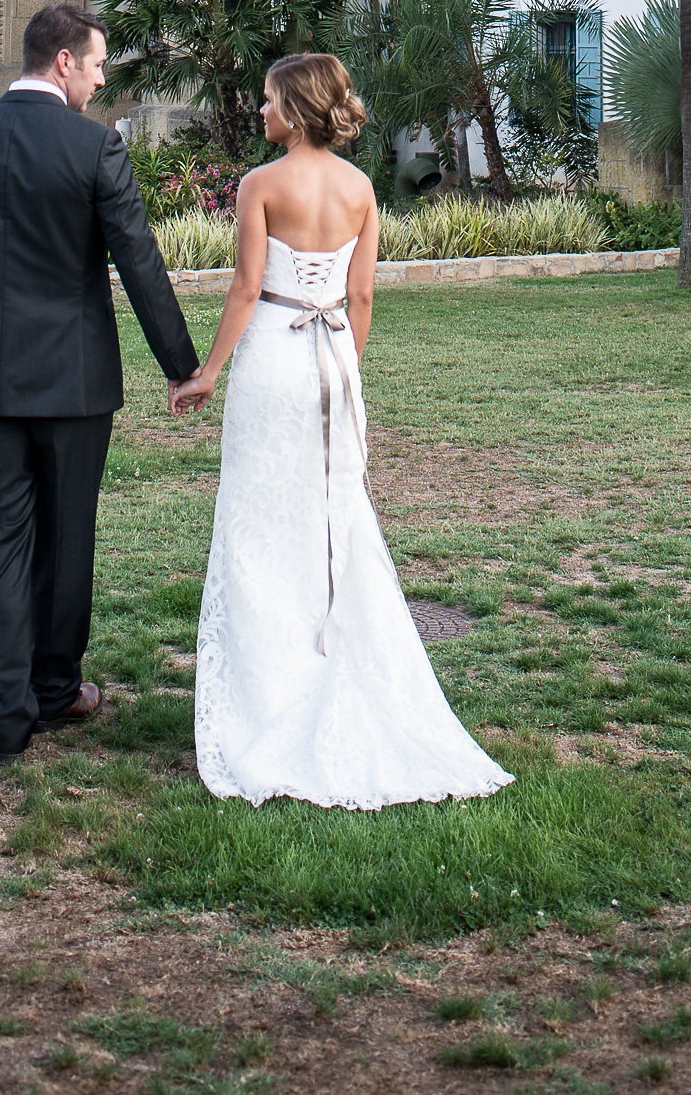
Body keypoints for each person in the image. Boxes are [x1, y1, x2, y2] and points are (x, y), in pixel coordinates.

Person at [173, 50, 511, 811]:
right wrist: (344, 372)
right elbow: (360, 298)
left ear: (294, 108)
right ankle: (327, 663)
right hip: (331, 367)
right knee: (332, 518)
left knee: (260, 519)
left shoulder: (262, 184)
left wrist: (208, 370)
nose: (260, 112)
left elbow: (247, 286)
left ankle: (270, 691)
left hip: (269, 363)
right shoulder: (360, 189)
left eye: (267, 101)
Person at [0, 0, 200, 766]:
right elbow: (138, 262)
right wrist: (182, 365)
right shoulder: (93, 148)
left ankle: (6, 723)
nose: (102, 79)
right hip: (75, 387)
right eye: (100, 64)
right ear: (65, 61)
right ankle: (55, 689)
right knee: (67, 540)